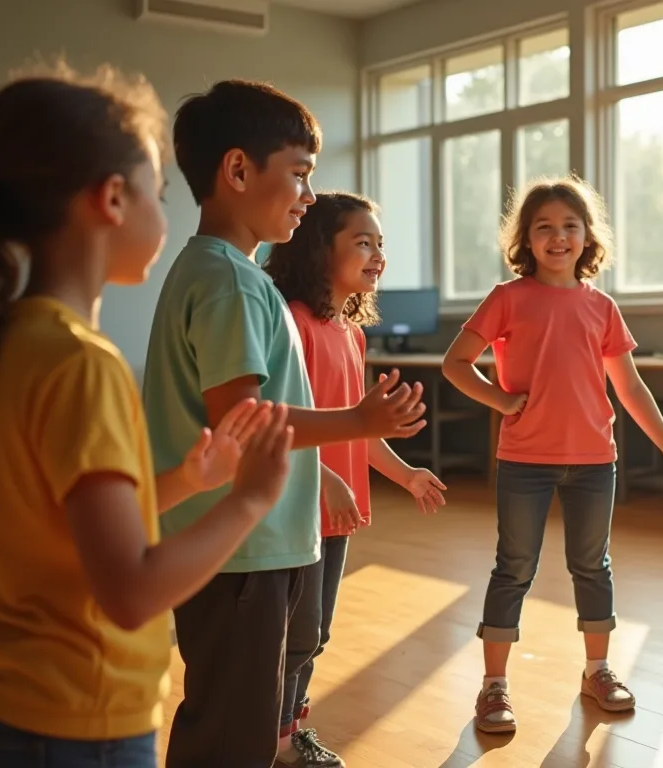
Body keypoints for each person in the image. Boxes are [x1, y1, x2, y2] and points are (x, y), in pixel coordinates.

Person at [0, 65, 295, 767]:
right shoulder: (81, 364)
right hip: (78, 723)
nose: (166, 213)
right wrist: (249, 500)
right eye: (159, 192)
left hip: (5, 702)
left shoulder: (12, 339)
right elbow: (130, 592)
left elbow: (67, 525)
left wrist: (187, 483)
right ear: (111, 199)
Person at [141, 79, 428, 768]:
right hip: (242, 548)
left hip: (248, 542)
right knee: (233, 731)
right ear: (238, 171)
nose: (307, 194)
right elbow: (242, 421)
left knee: (232, 713)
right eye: (298, 175)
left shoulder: (218, 272)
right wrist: (357, 421)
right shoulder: (231, 281)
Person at [442, 176, 663, 734]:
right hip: (523, 461)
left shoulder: (602, 307)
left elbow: (630, 388)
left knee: (593, 567)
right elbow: (456, 363)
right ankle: (494, 685)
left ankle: (598, 670)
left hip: (594, 462)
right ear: (527, 239)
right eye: (544, 227)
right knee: (513, 568)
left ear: (588, 237)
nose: (558, 237)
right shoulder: (507, 298)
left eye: (570, 226)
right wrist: (499, 398)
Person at [263, 191, 448, 767]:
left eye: (380, 244)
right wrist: (322, 477)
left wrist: (406, 473)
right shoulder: (292, 321)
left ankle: (290, 732)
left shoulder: (351, 333)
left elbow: (359, 431)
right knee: (295, 636)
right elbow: (278, 418)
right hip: (298, 511)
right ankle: (275, 744)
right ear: (320, 250)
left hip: (336, 516)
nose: (377, 256)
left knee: (313, 635)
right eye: (362, 243)